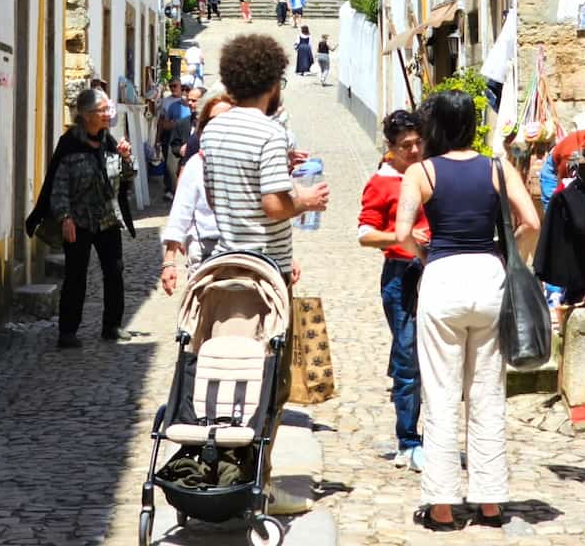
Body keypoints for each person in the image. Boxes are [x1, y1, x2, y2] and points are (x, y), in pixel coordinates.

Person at [396, 91, 540, 532]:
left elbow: (402, 233)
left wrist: (425, 256)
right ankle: (491, 500)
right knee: (487, 393)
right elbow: (531, 221)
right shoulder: (498, 167)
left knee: (439, 394)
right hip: (489, 276)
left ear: (434, 126)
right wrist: (514, 258)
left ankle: (442, 505)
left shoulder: (421, 172)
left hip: (443, 277)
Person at [200, 34, 329, 515]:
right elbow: (274, 204)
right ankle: (260, 485)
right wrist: (306, 200)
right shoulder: (272, 133)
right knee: (268, 381)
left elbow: (217, 199)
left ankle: (220, 471)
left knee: (221, 376)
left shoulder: (214, 132)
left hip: (222, 267)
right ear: (274, 83)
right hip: (267, 273)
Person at [27, 89, 136, 348]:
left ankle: (112, 326)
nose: (107, 115)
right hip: (79, 221)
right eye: (102, 111)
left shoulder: (109, 142)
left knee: (114, 271)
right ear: (86, 115)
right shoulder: (69, 145)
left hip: (107, 220)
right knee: (76, 275)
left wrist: (126, 158)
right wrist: (65, 218)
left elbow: (125, 180)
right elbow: (59, 186)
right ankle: (67, 332)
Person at [359, 110, 429, 471]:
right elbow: (364, 234)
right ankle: (408, 439)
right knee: (407, 360)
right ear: (391, 148)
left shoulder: (430, 174)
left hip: (433, 270)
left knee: (429, 358)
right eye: (406, 146)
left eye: (419, 143)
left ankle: (432, 433)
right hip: (401, 274)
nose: (415, 151)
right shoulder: (382, 183)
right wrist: (401, 236)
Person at [160, 94, 234, 291]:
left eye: (228, 119)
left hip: (244, 254)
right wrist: (169, 261)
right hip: (205, 252)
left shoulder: (250, 162)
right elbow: (180, 212)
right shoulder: (196, 165)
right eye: (213, 121)